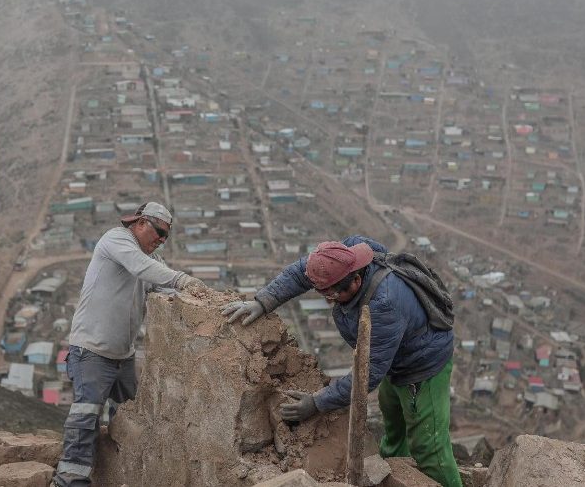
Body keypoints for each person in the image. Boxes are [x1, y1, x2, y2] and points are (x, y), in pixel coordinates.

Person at [221, 236, 461, 487]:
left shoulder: (384, 304)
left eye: (334, 295)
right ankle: (396, 476)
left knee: (429, 447)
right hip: (396, 362)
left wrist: (317, 402)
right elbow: (303, 273)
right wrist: (263, 302)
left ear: (356, 281)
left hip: (422, 366)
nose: (329, 300)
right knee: (394, 423)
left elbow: (367, 373)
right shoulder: (341, 258)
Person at [53, 202, 209, 487]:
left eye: (166, 236)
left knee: (129, 417)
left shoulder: (151, 260)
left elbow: (161, 284)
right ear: (140, 223)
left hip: (122, 356)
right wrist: (182, 279)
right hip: (91, 352)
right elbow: (142, 267)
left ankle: (122, 474)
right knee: (86, 416)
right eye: (159, 232)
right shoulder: (117, 240)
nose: (161, 240)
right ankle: (69, 480)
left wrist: (199, 296)